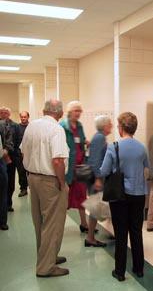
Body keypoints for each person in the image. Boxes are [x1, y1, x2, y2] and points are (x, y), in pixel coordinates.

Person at [20, 99, 70, 277]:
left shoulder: (32, 126)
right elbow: (57, 160)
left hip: (33, 177)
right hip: (50, 180)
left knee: (39, 222)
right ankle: (46, 267)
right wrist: (61, 182)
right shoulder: (56, 129)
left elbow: (23, 152)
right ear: (60, 113)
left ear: (43, 110)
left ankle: (48, 257)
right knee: (52, 223)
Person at [100, 112, 149, 281]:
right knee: (136, 232)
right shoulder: (142, 148)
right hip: (138, 194)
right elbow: (146, 169)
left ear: (121, 128)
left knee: (121, 233)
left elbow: (104, 171)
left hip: (119, 196)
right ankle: (139, 268)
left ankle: (119, 272)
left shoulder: (114, 147)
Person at [60, 101, 89, 233]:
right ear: (69, 111)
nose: (78, 113)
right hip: (67, 169)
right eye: (76, 110)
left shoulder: (80, 126)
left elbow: (81, 141)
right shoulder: (62, 126)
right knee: (64, 198)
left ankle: (84, 224)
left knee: (82, 196)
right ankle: (58, 226)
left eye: (79, 111)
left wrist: (86, 142)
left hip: (80, 167)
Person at [85, 115, 113, 247]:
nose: (111, 126)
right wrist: (97, 179)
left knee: (97, 207)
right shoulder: (100, 138)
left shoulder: (99, 137)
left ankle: (106, 232)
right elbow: (95, 160)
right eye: (110, 124)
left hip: (98, 177)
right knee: (95, 208)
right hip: (97, 178)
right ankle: (90, 238)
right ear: (105, 126)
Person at [0, 107, 19, 212]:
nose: (3, 114)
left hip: (11, 158)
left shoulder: (15, 126)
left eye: (5, 113)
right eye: (1, 112)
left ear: (9, 114)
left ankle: (8, 203)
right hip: (0, 159)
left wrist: (10, 153)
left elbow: (17, 141)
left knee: (10, 181)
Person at [0, 119, 13, 231]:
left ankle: (2, 222)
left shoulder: (3, 125)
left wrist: (5, 150)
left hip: (0, 162)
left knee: (2, 192)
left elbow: (9, 141)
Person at [16, 111, 30, 197]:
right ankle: (23, 189)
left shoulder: (32, 127)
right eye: (22, 117)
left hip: (30, 154)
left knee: (31, 172)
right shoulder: (17, 127)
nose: (23, 118)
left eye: (25, 117)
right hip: (19, 154)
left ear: (28, 117)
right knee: (21, 172)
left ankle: (32, 188)